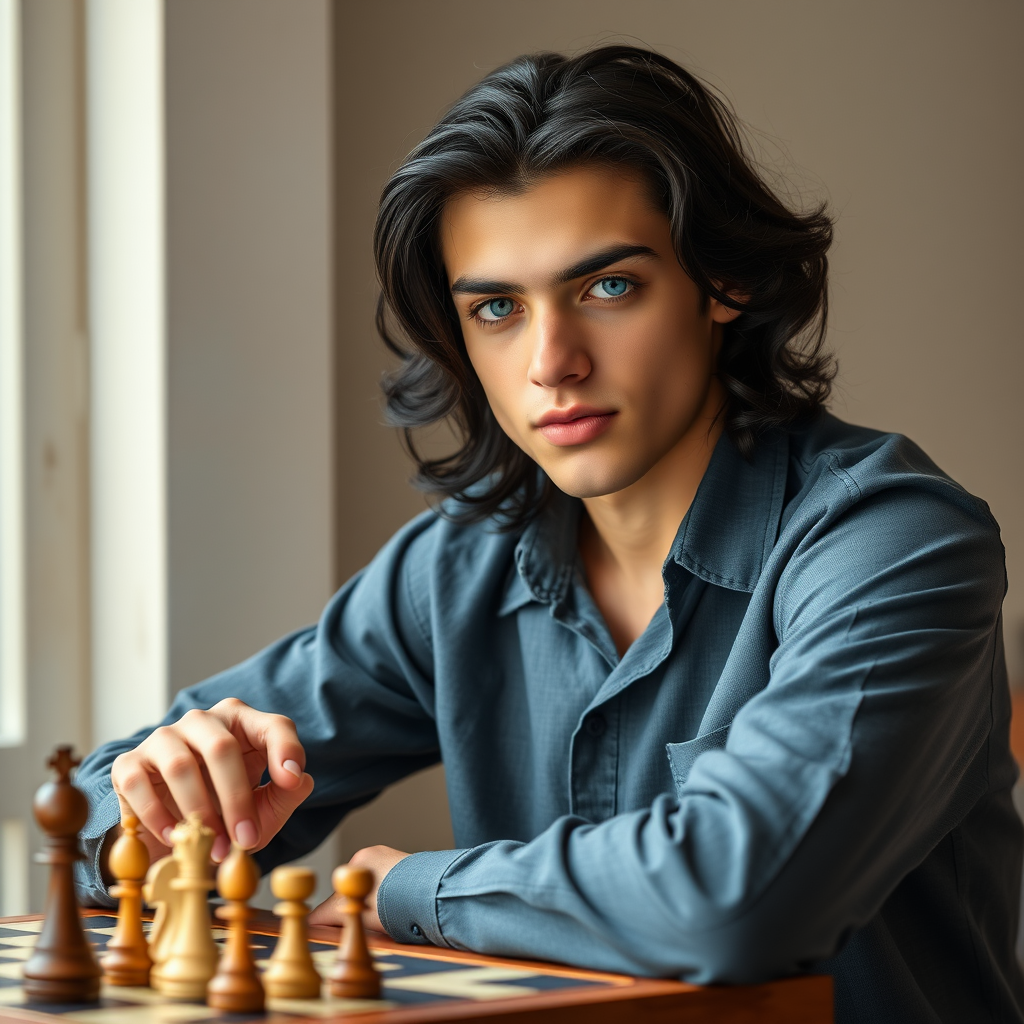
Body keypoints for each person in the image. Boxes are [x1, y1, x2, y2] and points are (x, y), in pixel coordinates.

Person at [74, 45, 1024, 1022]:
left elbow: (732, 900)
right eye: (496, 308)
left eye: (607, 287)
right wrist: (151, 815)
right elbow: (101, 801)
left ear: (721, 284)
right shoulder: (456, 569)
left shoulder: (896, 544)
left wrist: (406, 889)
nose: (550, 363)